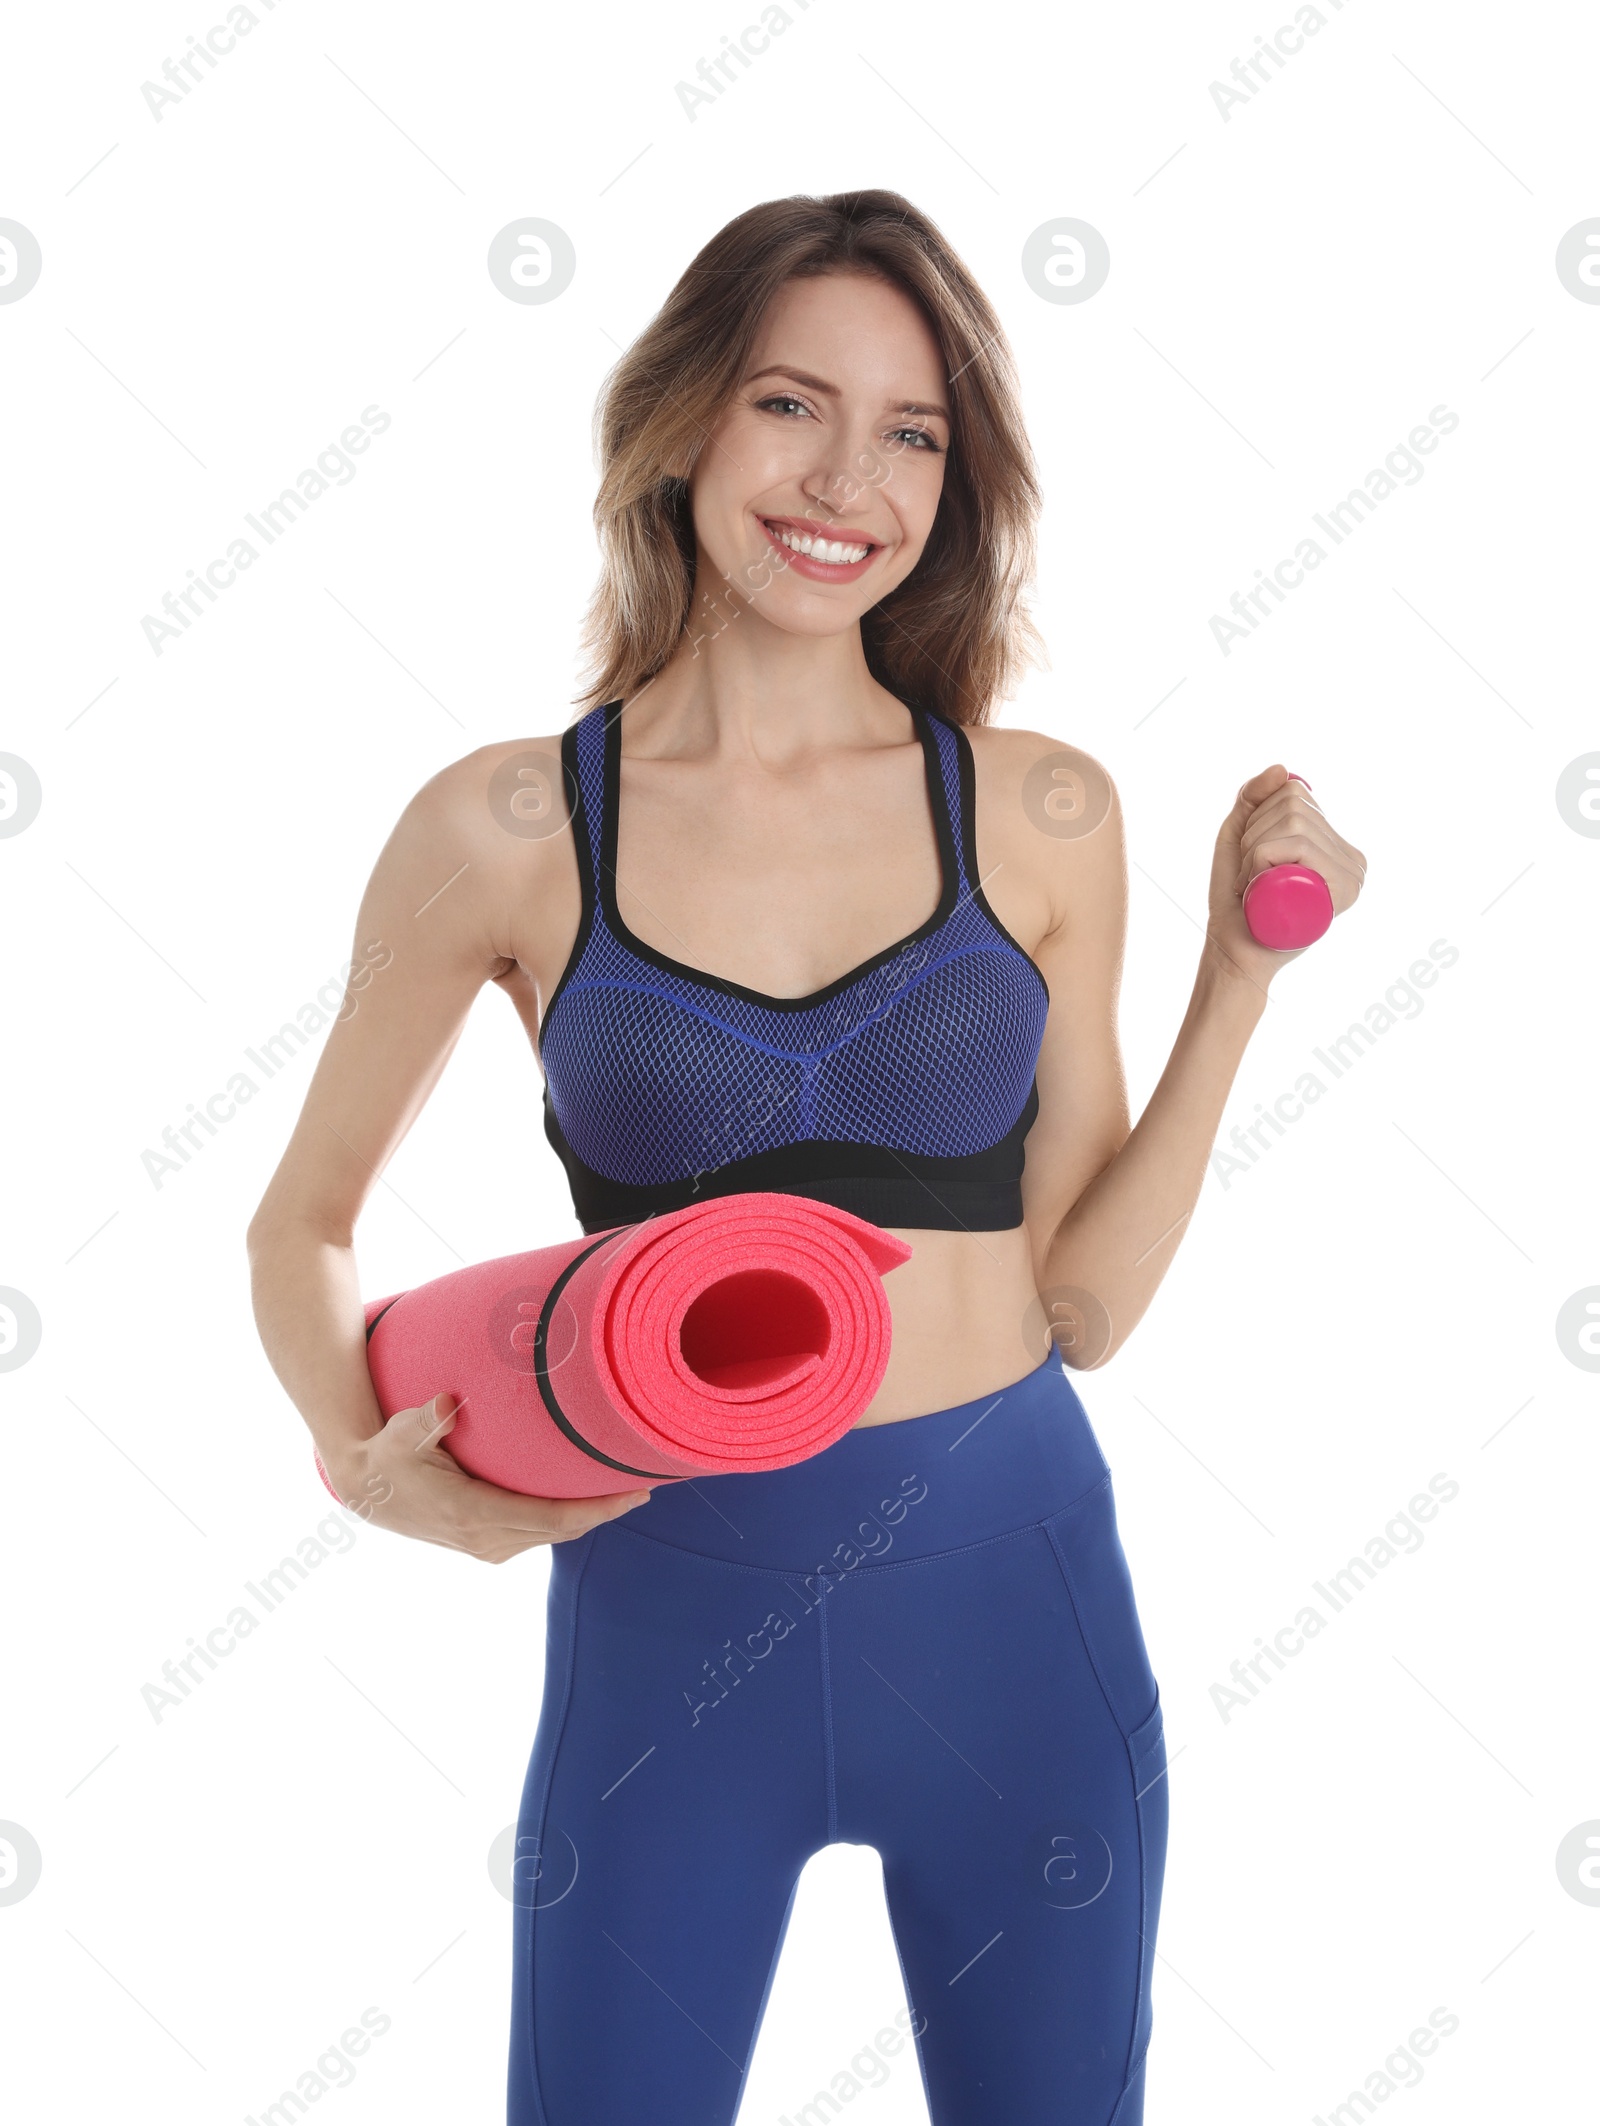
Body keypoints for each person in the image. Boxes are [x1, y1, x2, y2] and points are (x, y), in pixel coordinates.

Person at [246, 189, 1365, 2126]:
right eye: (790, 402)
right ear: (682, 421)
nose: (848, 473)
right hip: (663, 1604)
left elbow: (1081, 1302)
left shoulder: (1035, 808)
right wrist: (370, 1465)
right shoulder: (509, 824)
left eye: (913, 429)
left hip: (1010, 1595)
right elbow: (306, 1222)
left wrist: (1240, 980)